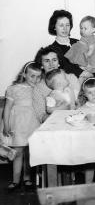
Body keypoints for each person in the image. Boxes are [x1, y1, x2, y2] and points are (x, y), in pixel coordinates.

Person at [3, 61, 42, 192]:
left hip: (33, 124)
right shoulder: (13, 89)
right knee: (18, 153)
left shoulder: (39, 89)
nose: (35, 79)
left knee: (29, 152)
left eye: (38, 76)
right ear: (24, 74)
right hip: (18, 125)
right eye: (32, 76)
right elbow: (7, 108)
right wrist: (6, 125)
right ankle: (15, 181)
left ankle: (27, 179)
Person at [33, 46, 80, 123]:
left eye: (54, 60)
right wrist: (61, 117)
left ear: (59, 62)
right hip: (54, 124)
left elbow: (78, 104)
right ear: (41, 65)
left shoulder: (71, 78)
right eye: (47, 61)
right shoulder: (38, 88)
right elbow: (41, 116)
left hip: (75, 121)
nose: (51, 64)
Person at [47, 10, 92, 80]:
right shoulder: (52, 49)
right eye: (61, 25)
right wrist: (84, 72)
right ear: (54, 27)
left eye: (67, 25)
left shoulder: (78, 42)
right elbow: (67, 69)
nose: (65, 28)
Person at [64, 16, 95, 83]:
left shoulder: (91, 38)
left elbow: (91, 49)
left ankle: (85, 69)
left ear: (93, 30)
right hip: (82, 52)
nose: (82, 30)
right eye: (81, 28)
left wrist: (87, 55)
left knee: (87, 65)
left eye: (85, 28)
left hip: (88, 55)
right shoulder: (83, 37)